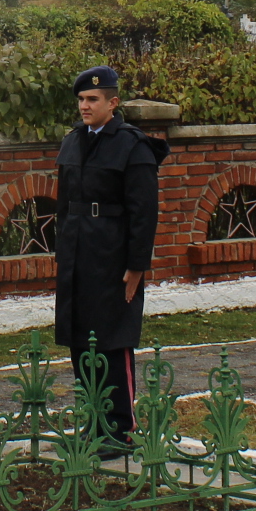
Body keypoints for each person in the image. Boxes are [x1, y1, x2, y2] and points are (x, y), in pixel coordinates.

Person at [52, 65, 168, 450]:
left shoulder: (133, 146)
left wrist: (136, 267)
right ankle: (94, 421)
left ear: (113, 103)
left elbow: (144, 212)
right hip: (77, 256)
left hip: (113, 258)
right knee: (80, 342)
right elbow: (64, 204)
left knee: (111, 342)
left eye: (93, 100)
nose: (85, 106)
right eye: (81, 100)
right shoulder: (72, 142)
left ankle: (120, 430)